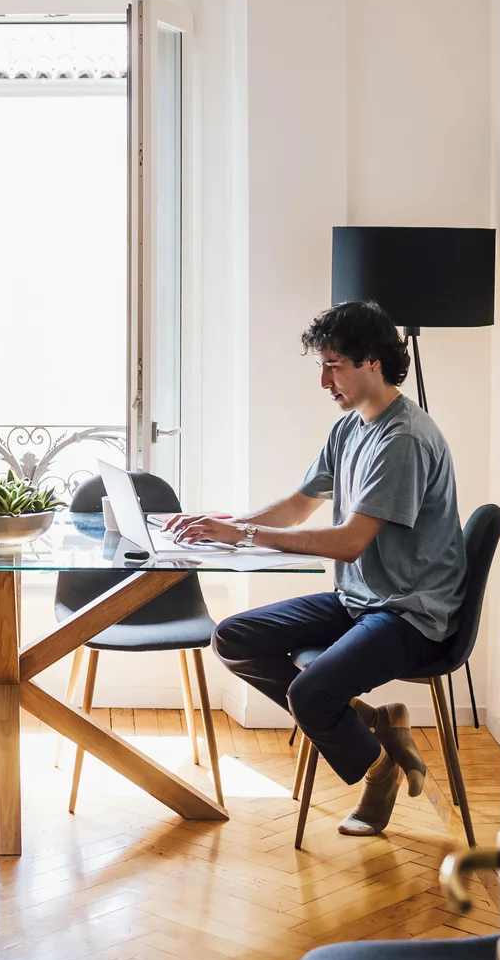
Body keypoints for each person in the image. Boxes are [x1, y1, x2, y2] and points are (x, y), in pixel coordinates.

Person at [164, 301, 466, 836]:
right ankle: (374, 726)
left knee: (310, 694)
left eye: (334, 365)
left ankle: (379, 772)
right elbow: (296, 506)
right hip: (360, 600)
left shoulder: (404, 440)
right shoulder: (350, 428)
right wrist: (222, 524)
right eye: (321, 366)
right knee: (233, 638)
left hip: (408, 614)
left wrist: (246, 534)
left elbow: (349, 543)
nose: (325, 380)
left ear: (372, 361)